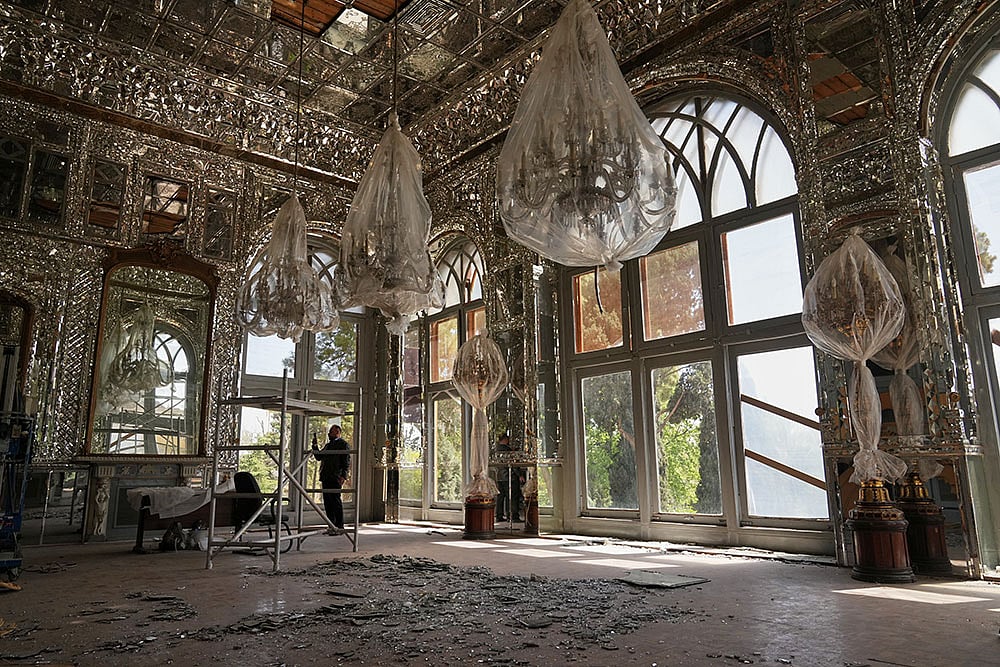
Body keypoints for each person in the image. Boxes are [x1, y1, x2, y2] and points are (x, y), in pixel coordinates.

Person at [313, 424, 350, 535]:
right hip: (326, 476)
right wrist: (314, 446)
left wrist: (343, 476)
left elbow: (346, 461)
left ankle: (339, 526)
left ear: (338, 432)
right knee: (328, 503)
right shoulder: (328, 445)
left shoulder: (343, 444)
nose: (329, 434)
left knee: (336, 501)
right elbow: (319, 457)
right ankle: (331, 525)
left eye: (331, 432)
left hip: (335, 477)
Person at [495, 435, 523, 522]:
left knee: (501, 496)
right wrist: (519, 475)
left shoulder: (496, 450)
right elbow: (512, 463)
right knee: (511, 496)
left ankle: (499, 515)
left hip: (500, 476)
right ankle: (512, 515)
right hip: (509, 476)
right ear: (506, 440)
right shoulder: (507, 450)